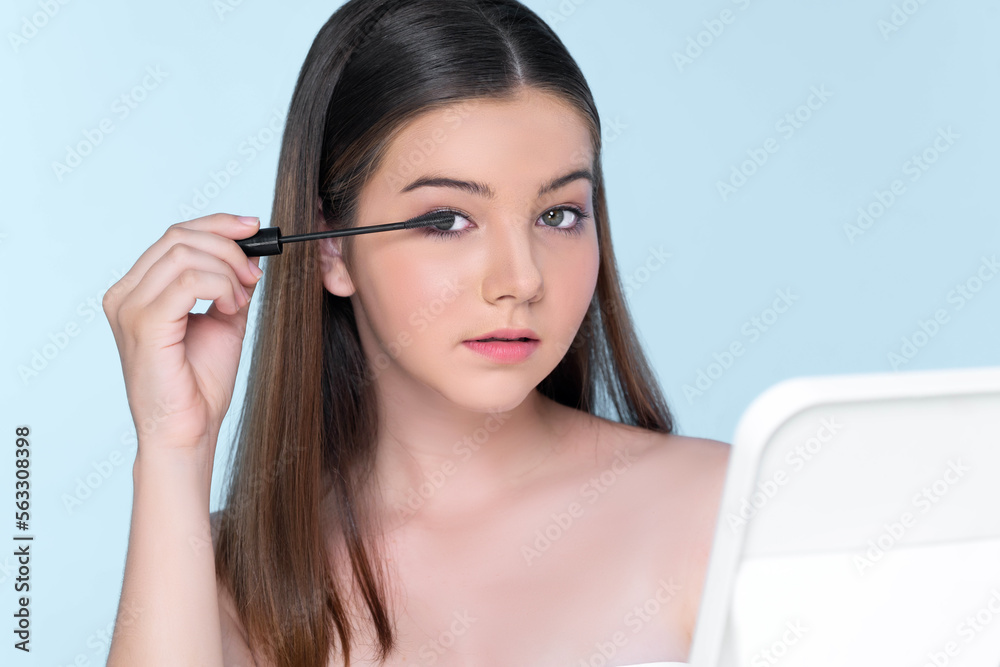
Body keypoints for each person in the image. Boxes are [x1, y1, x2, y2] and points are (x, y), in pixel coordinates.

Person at [102, 0, 730, 665]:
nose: (519, 280)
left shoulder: (724, 507)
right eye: (446, 220)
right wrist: (174, 448)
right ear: (332, 248)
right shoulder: (229, 578)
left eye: (558, 214)